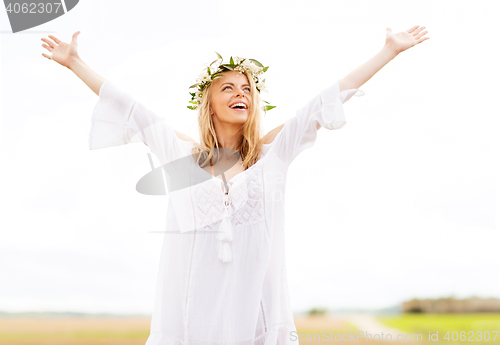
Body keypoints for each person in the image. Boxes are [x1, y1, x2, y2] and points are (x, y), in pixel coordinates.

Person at [41, 26, 429, 345]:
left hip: (256, 321)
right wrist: (75, 62)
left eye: (246, 89)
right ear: (208, 103)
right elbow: (132, 110)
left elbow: (322, 102)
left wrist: (389, 51)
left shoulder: (273, 155)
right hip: (193, 323)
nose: (240, 93)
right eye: (227, 88)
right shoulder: (183, 157)